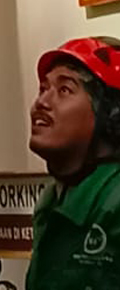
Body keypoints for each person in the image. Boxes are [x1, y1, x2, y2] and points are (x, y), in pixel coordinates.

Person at [27, 37, 120, 289]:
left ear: (110, 115)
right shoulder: (51, 200)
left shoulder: (116, 201)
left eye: (64, 90)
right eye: (43, 88)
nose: (42, 102)